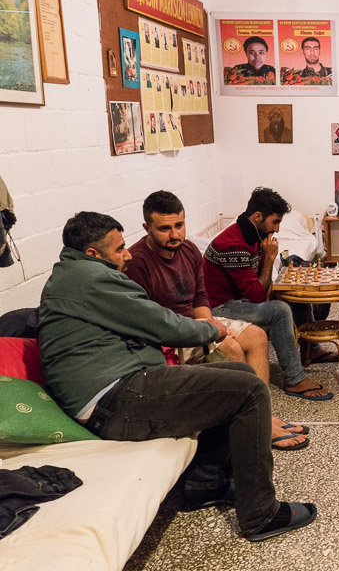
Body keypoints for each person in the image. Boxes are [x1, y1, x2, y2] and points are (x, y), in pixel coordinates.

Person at [38, 212, 317, 541]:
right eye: (120, 249)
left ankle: (204, 484)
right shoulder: (90, 279)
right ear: (93, 254)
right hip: (114, 398)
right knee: (250, 389)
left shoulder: (75, 274)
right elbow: (160, 323)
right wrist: (209, 329)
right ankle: (260, 514)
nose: (127, 254)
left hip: (119, 388)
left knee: (234, 376)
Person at [125, 191, 308, 451]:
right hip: (167, 332)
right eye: (164, 229)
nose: (175, 234)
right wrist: (204, 330)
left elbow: (200, 295)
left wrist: (208, 323)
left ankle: (261, 415)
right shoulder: (137, 262)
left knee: (257, 336)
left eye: (179, 225)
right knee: (232, 346)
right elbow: (149, 318)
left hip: (198, 319)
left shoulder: (188, 250)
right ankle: (254, 423)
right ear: (147, 228)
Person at [203, 187, 335, 400]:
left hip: (240, 299)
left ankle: (311, 349)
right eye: (275, 222)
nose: (278, 228)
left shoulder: (254, 235)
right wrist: (270, 258)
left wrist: (275, 288)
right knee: (279, 310)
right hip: (221, 307)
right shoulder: (233, 244)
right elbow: (256, 295)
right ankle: (294, 379)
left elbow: (259, 286)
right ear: (257, 217)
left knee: (289, 295)